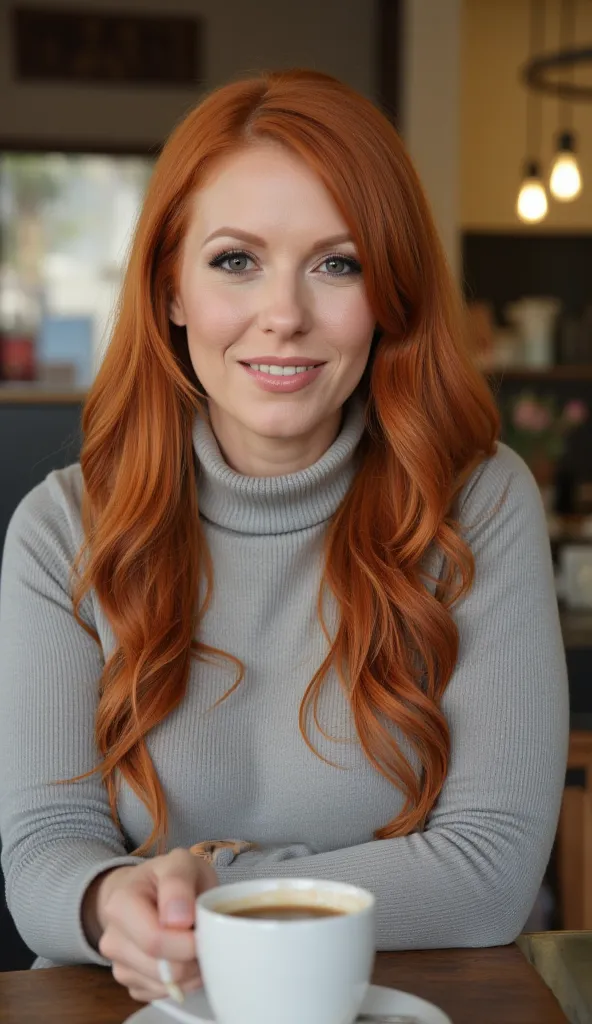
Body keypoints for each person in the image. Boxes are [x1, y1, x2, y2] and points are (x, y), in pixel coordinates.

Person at [0, 69, 568, 1004]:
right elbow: (44, 861)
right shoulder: (63, 529)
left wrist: (209, 893)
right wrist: (108, 904)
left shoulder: (477, 504)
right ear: (171, 291)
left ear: (388, 294)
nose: (285, 314)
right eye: (235, 260)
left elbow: (489, 874)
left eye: (337, 263)